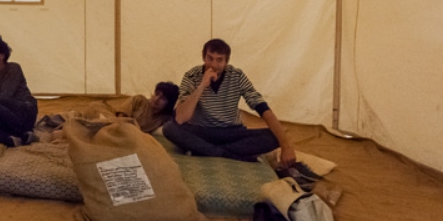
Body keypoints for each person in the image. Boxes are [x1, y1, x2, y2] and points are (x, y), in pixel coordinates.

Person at [163, 39, 320, 180]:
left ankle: (207, 151)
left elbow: (263, 109)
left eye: (219, 60)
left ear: (226, 61)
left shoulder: (237, 76)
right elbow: (181, 118)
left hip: (231, 132)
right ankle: (228, 154)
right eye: (210, 58)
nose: (214, 64)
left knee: (275, 135)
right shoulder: (192, 76)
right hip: (202, 131)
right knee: (169, 128)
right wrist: (202, 85)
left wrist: (286, 146)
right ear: (203, 57)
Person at [115, 81, 179, 135]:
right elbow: (120, 116)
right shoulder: (140, 100)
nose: (156, 99)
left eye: (163, 98)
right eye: (157, 94)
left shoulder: (165, 119)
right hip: (121, 129)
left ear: (169, 104)